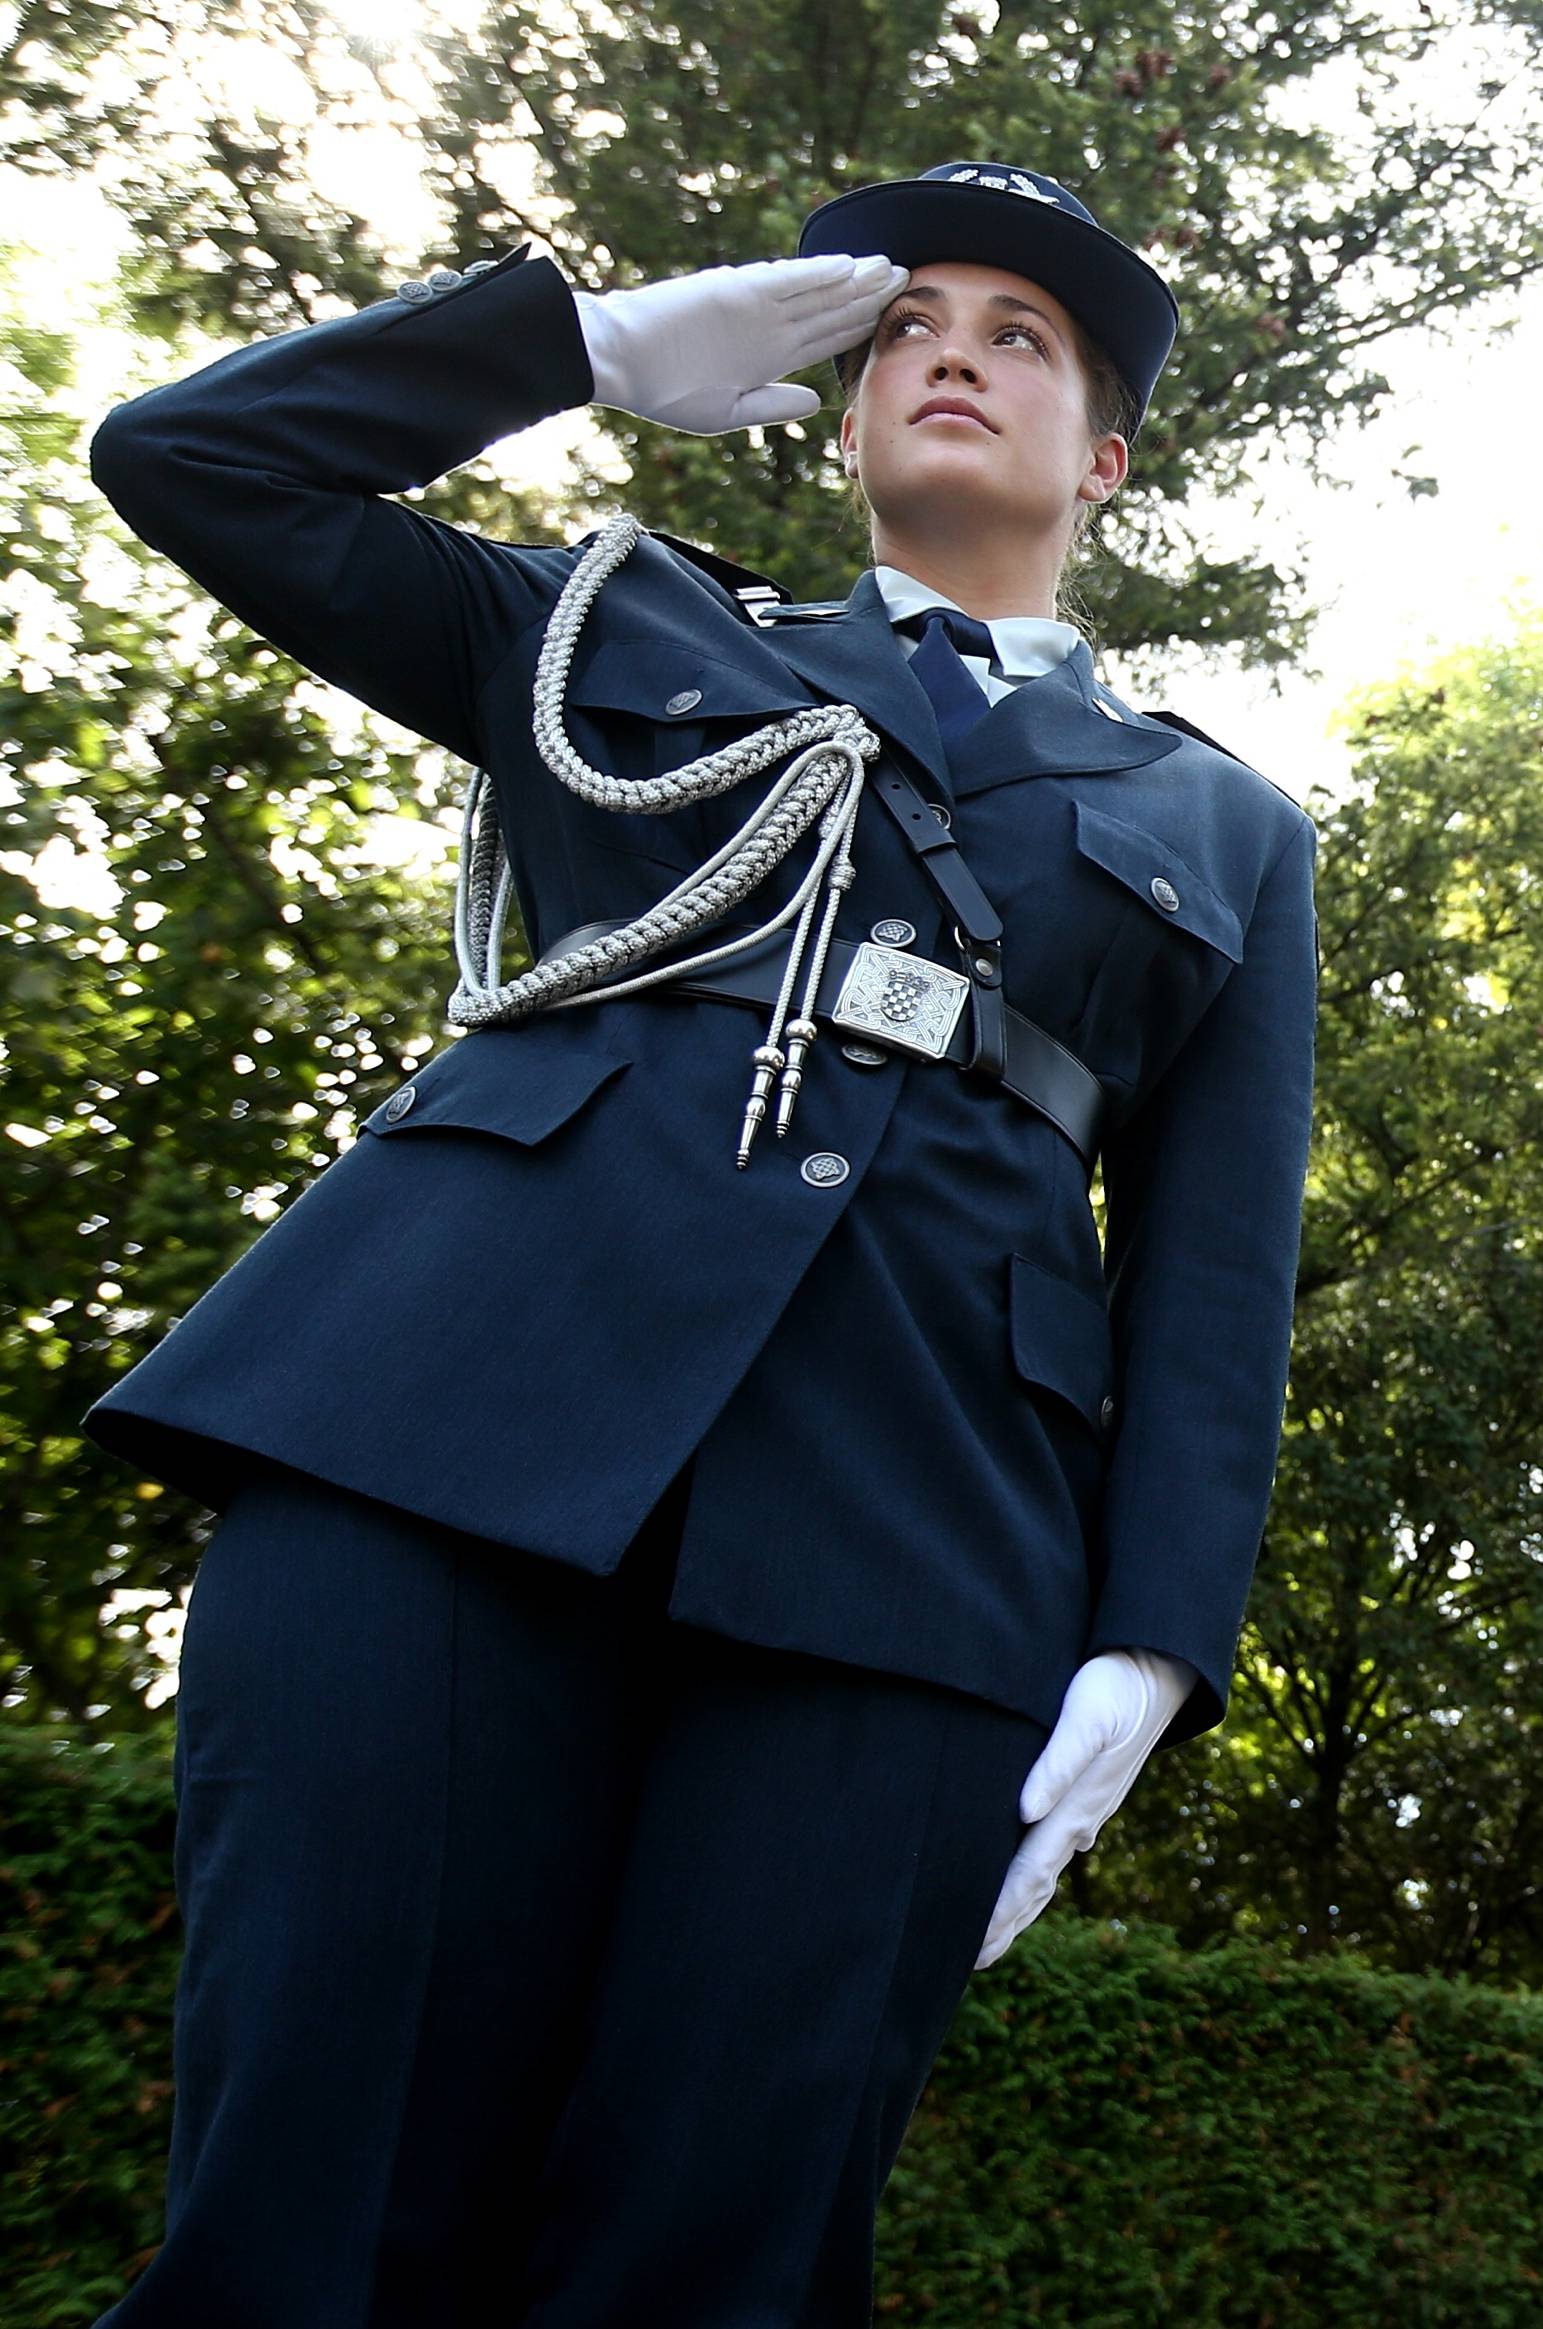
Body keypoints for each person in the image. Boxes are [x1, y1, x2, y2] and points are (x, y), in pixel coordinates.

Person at [78, 159, 1319, 2325]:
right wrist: (575, 347)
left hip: (915, 1534)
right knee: (308, 2211)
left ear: (1102, 456)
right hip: (442, 1429)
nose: (957, 350)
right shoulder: (626, 617)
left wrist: (1156, 1634)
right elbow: (190, 460)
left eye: (1024, 337)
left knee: (714, 2254)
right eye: (910, 321)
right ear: (837, 412)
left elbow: (1214, 1275)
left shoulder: (1228, 820)